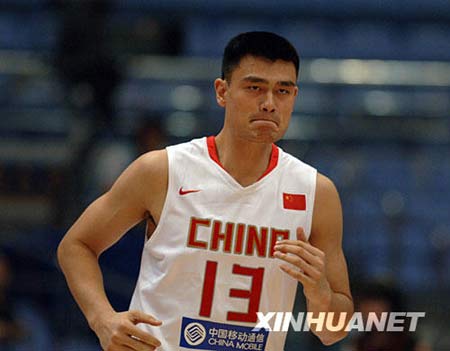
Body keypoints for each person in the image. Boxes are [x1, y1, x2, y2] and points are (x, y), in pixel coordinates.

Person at [57, 31, 353, 351]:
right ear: (222, 91)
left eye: (283, 91)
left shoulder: (316, 192)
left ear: (294, 96)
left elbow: (332, 332)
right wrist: (102, 319)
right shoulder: (162, 170)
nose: (269, 103)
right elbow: (76, 245)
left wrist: (320, 292)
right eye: (255, 88)